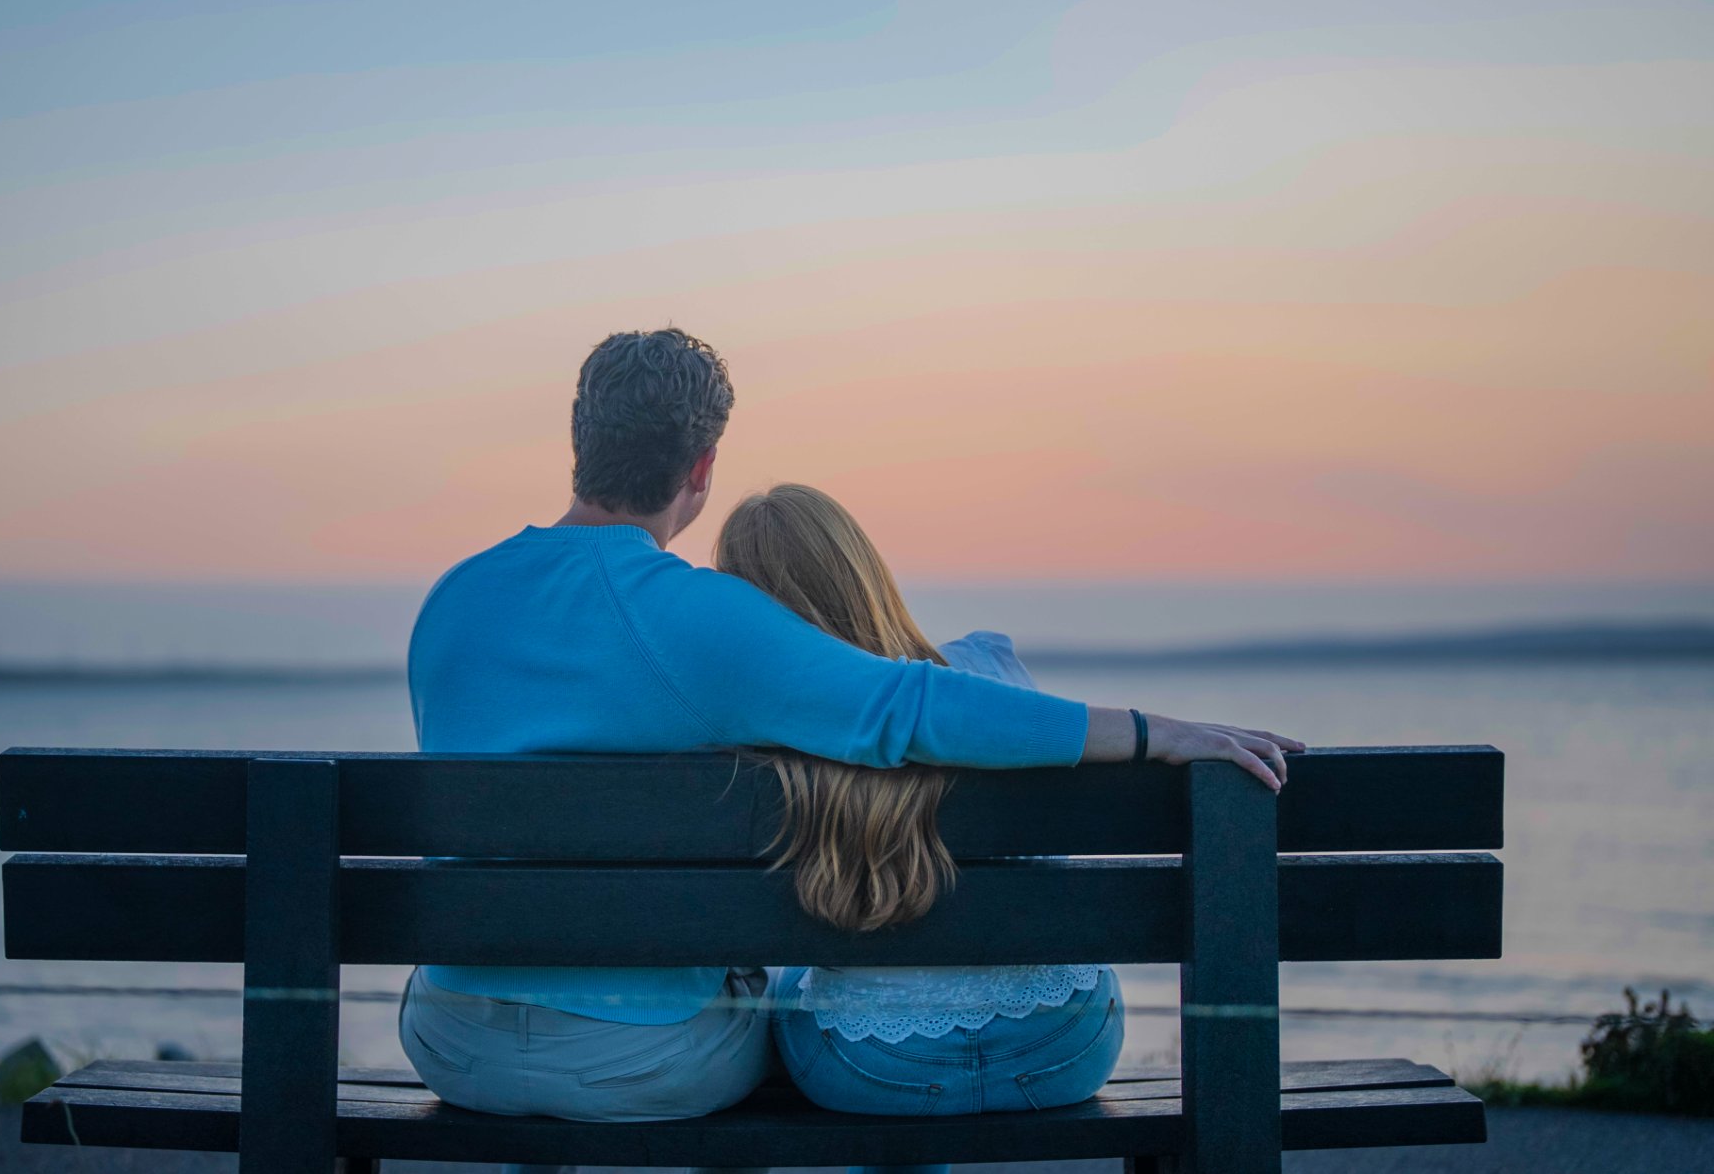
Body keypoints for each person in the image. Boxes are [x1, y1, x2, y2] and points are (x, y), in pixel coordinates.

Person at [398, 328, 1301, 1172]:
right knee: (784, 1012)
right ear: (702, 468)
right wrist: (1151, 731)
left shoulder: (450, 602)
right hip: (641, 1063)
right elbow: (907, 705)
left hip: (451, 1047)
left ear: (578, 443)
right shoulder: (698, 615)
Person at [718, 483, 1133, 1174]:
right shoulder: (991, 672)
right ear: (864, 571)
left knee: (795, 985)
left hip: (874, 1068)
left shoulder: (753, 739)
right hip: (1065, 1044)